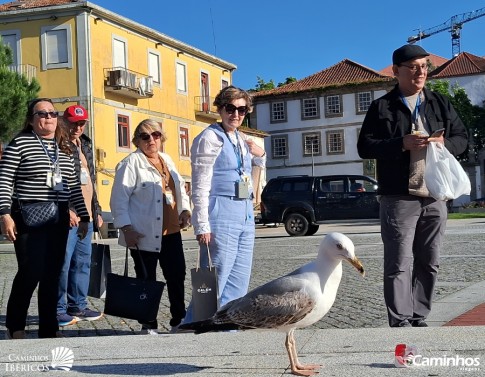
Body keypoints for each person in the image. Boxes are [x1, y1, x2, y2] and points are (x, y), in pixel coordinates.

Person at [357, 45, 468, 328]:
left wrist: (444, 144)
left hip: (434, 194)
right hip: (398, 195)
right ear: (396, 71)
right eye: (414, 67)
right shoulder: (381, 106)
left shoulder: (440, 103)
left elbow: (462, 139)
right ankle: (400, 318)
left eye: (424, 66)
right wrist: (400, 144)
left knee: (429, 260)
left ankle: (419, 315)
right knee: (398, 261)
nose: (421, 72)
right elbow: (364, 146)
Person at [0, 98, 89, 339]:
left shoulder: (65, 147)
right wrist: (5, 214)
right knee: (31, 271)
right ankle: (16, 326)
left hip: (59, 216)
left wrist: (84, 216)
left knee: (53, 273)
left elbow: (73, 188)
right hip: (28, 216)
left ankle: (49, 328)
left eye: (52, 113)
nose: (48, 117)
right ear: (31, 119)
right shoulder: (20, 144)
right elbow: (5, 180)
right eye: (42, 114)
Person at [184, 86, 266, 324]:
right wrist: (202, 225)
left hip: (244, 213)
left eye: (242, 110)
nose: (236, 114)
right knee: (213, 279)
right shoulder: (208, 138)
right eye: (230, 108)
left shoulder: (241, 139)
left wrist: (260, 155)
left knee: (239, 279)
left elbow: (254, 172)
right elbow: (200, 185)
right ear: (219, 108)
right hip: (221, 210)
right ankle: (193, 325)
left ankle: (227, 326)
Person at [110, 119, 191, 334]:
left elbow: (179, 188)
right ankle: (148, 322)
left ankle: (178, 320)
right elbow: (119, 199)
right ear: (137, 140)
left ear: (161, 137)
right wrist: (126, 229)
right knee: (146, 280)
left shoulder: (167, 160)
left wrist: (185, 210)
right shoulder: (130, 163)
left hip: (171, 231)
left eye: (155, 135)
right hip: (143, 233)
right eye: (145, 136)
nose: (151, 140)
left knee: (176, 276)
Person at [57, 105, 104, 327]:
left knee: (83, 262)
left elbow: (91, 180)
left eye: (81, 123)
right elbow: (57, 181)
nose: (77, 127)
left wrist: (97, 210)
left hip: (86, 216)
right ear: (64, 121)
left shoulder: (85, 143)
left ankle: (78, 305)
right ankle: (57, 309)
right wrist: (66, 208)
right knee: (62, 263)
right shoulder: (57, 144)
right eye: (73, 122)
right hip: (69, 215)